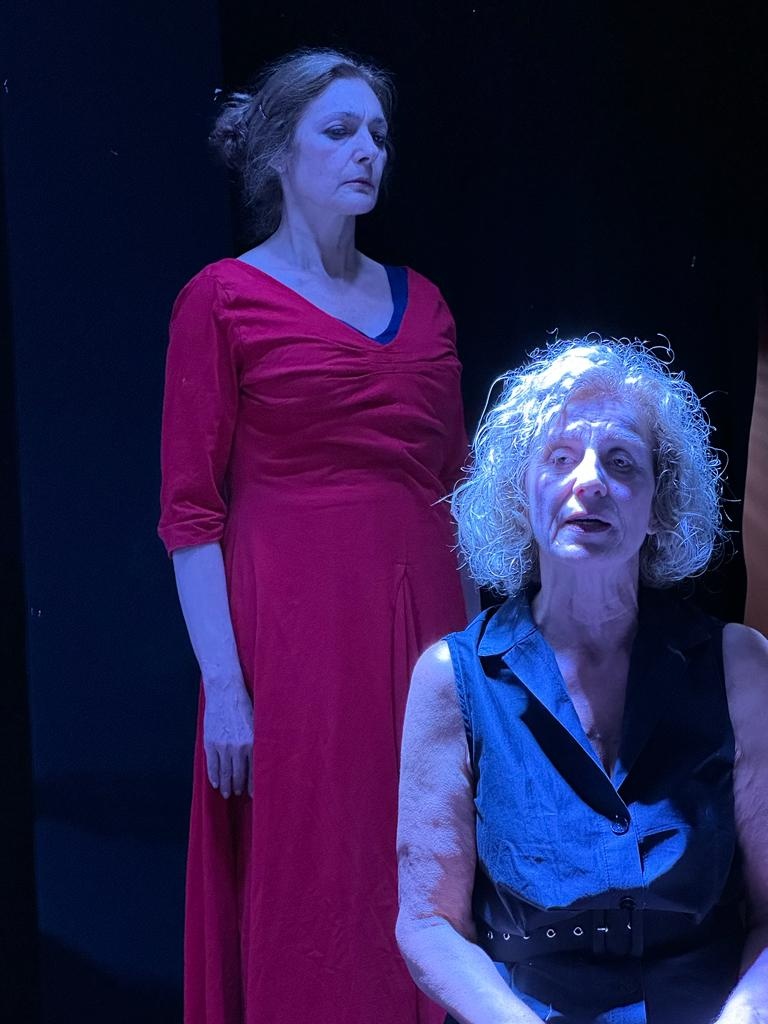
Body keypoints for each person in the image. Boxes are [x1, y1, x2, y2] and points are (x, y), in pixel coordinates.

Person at [158, 48, 471, 1024]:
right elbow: (190, 516)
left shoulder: (426, 305)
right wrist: (226, 690)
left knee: (428, 867)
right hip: (293, 649)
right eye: (339, 130)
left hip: (424, 638)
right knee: (315, 880)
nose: (367, 149)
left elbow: (464, 497)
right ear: (277, 153)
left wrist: (486, 674)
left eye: (378, 132)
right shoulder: (222, 299)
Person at [396, 338, 768, 1024]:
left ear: (659, 505)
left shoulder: (739, 666)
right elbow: (428, 924)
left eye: (621, 461)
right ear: (522, 493)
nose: (590, 481)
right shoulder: (452, 679)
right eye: (560, 458)